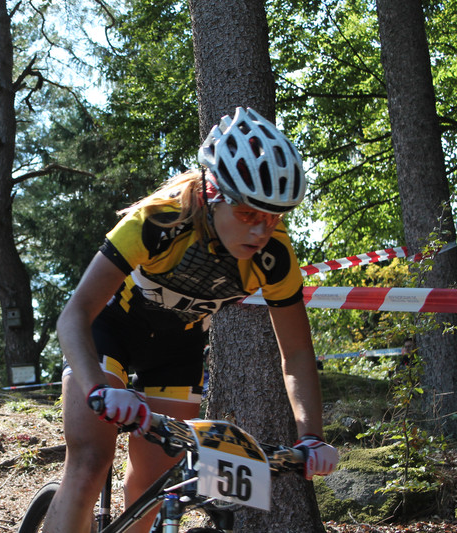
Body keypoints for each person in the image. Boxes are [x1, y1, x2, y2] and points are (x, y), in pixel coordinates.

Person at [41, 107, 338, 533]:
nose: (261, 231)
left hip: (177, 351)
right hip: (107, 332)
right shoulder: (158, 220)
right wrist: (98, 389)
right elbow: (74, 314)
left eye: (273, 216)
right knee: (90, 462)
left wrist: (311, 436)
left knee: (153, 484)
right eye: (248, 214)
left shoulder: (274, 258)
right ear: (214, 194)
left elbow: (296, 354)